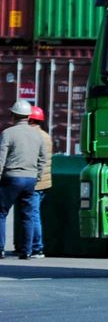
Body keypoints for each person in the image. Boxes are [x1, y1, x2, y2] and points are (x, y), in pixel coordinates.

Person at [0, 99, 50, 260]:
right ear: (28, 116)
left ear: (13, 115)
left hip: (12, 178)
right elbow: (43, 158)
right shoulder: (38, 135)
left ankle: (0, 249)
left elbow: (1, 158)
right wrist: (38, 176)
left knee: (1, 213)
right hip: (30, 179)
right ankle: (27, 251)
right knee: (28, 216)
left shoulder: (8, 133)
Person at [26, 106, 51, 258]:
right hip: (44, 182)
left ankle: (37, 247)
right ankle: (32, 246)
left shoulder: (32, 136)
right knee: (33, 214)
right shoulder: (45, 135)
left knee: (33, 215)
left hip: (34, 181)